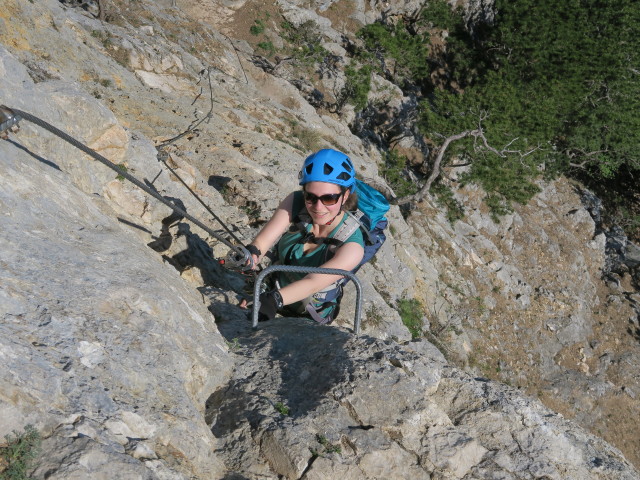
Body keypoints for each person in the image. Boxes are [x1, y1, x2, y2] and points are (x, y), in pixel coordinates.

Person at [245, 148, 365, 323]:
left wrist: (273, 300)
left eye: (329, 198)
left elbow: (313, 282)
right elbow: (262, 242)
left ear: (345, 195)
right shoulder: (296, 202)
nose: (318, 207)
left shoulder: (352, 246)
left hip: (308, 316)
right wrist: (251, 255)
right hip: (270, 292)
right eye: (311, 197)